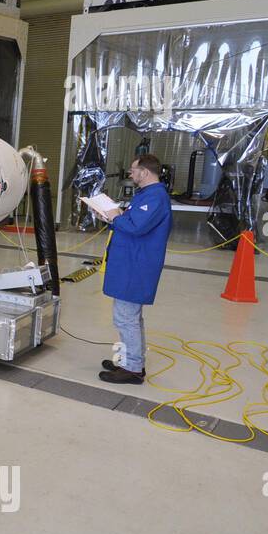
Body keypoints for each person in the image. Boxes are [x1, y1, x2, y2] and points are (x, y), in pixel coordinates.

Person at [94, 154, 172, 385]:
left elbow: (136, 227)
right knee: (131, 317)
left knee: (126, 318)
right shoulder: (147, 195)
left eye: (133, 170)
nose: (130, 174)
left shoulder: (155, 197)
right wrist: (112, 217)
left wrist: (115, 217)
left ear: (145, 173)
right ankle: (131, 360)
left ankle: (133, 369)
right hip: (131, 261)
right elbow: (132, 221)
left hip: (136, 265)